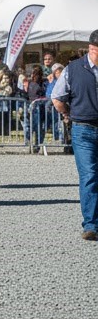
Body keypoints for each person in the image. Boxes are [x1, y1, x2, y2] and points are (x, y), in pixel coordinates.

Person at [51, 30, 98, 242]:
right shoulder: (74, 69)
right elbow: (57, 97)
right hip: (84, 129)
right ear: (92, 48)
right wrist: (68, 114)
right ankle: (91, 225)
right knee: (89, 176)